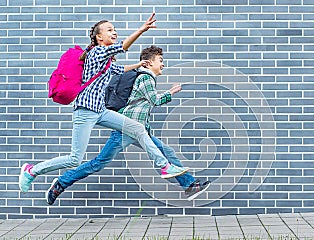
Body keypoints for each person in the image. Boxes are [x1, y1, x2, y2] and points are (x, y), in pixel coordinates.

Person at [19, 14, 190, 193]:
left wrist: (138, 64)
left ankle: (165, 166)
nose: (114, 32)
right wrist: (141, 29)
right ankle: (32, 170)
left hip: (100, 110)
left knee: (138, 129)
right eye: (109, 30)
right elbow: (122, 47)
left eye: (114, 29)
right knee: (74, 159)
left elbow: (119, 69)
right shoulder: (96, 52)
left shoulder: (106, 62)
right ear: (99, 37)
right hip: (85, 111)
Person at [46, 45, 210, 205]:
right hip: (125, 130)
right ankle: (61, 183)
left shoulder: (145, 78)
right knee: (98, 164)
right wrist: (171, 92)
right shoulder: (145, 78)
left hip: (138, 130)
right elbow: (155, 100)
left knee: (166, 151)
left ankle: (190, 185)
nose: (163, 64)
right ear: (149, 62)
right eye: (160, 60)